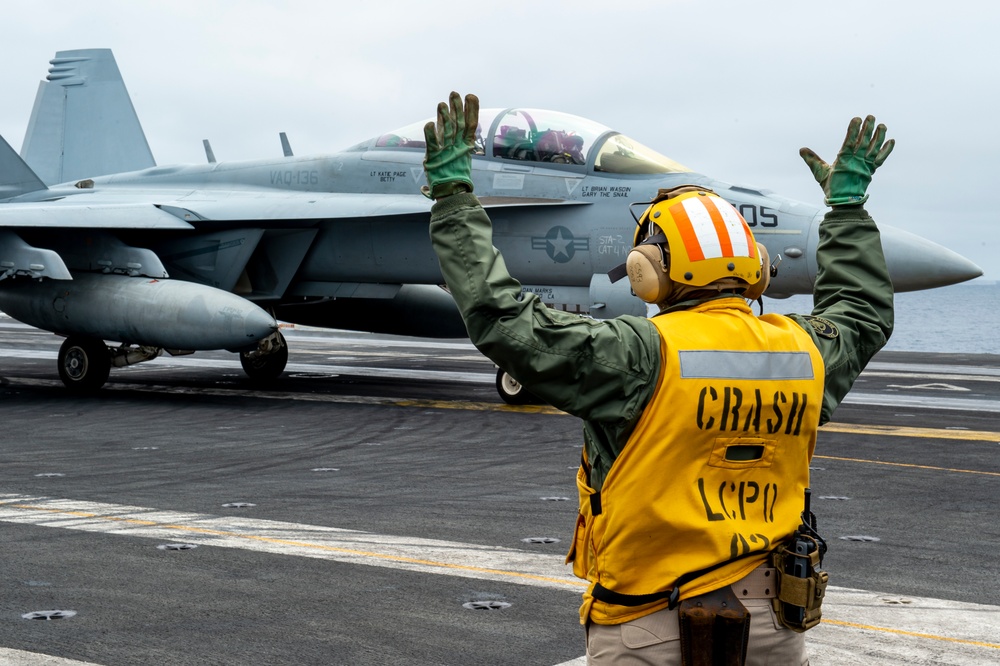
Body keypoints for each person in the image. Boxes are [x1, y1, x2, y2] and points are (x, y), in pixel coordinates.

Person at [423, 91, 894, 665]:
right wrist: (845, 209)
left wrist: (453, 201)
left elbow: (504, 318)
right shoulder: (804, 350)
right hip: (776, 625)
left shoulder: (637, 353)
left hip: (651, 622)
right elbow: (862, 312)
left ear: (650, 271)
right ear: (757, 267)